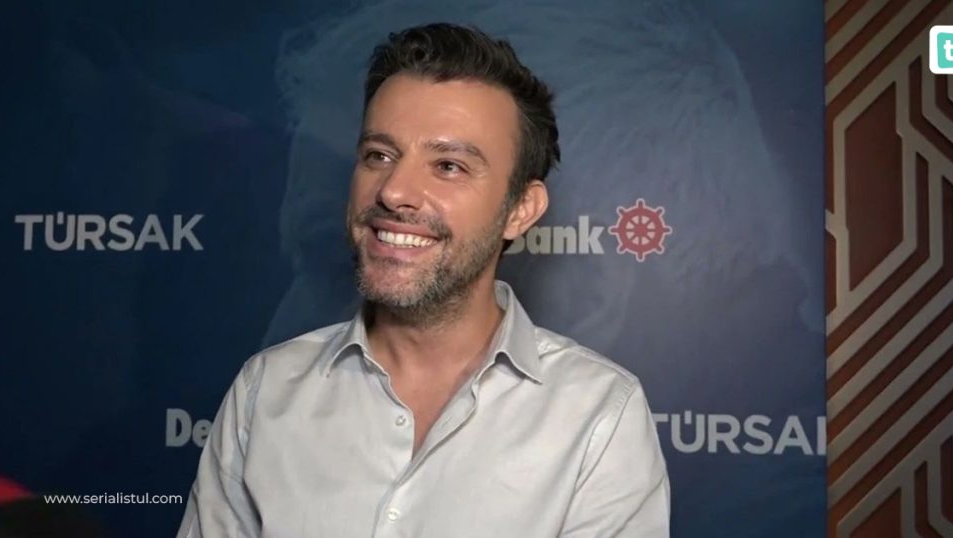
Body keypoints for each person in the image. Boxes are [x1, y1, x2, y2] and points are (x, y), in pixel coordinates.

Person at [177, 23, 669, 537]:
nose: (394, 191)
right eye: (379, 155)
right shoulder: (266, 391)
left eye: (449, 166)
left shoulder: (598, 416)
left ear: (521, 209)